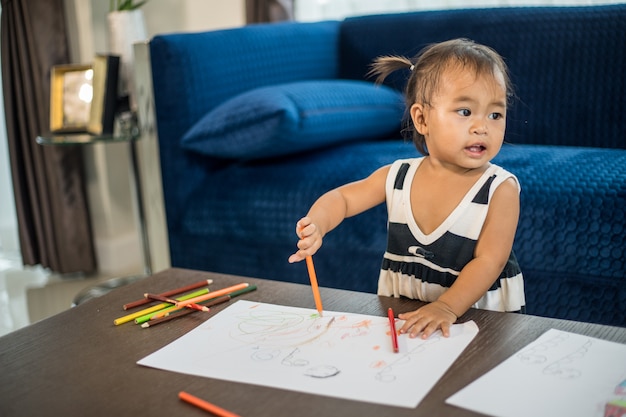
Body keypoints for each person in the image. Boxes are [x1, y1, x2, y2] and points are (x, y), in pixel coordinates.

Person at [288, 38, 525, 339]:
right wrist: (317, 223)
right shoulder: (398, 176)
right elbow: (344, 198)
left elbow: (490, 261)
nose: (482, 126)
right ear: (422, 119)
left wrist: (447, 308)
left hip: (477, 319)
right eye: (465, 112)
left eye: (495, 114)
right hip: (407, 311)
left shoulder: (499, 189)